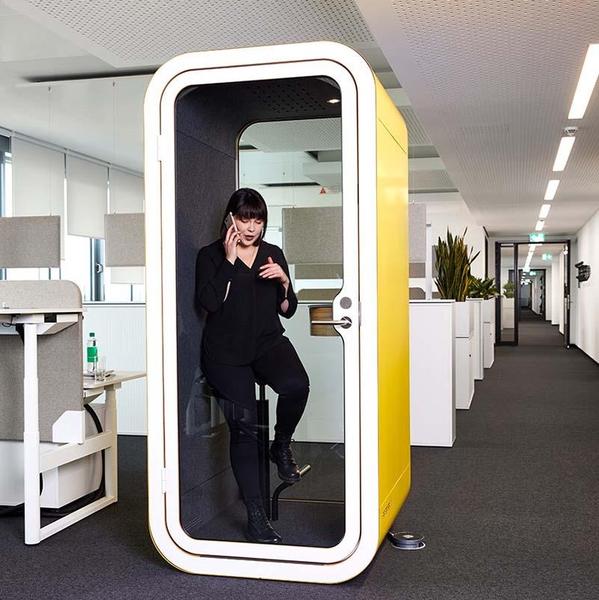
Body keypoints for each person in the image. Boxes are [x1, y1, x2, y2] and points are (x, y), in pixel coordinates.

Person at [195, 188, 310, 544]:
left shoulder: (272, 253)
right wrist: (230, 261)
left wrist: (285, 282)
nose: (251, 228)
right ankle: (256, 517)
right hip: (225, 353)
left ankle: (281, 445)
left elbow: (287, 309)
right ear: (231, 218)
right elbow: (209, 303)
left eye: (257, 220)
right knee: (244, 430)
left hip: (266, 343)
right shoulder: (210, 255)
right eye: (245, 219)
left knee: (297, 385)